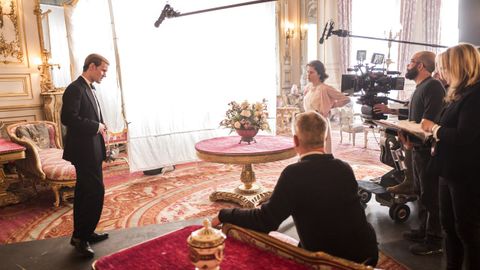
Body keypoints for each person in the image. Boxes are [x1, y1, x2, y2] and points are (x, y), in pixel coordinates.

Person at [212, 111, 378, 267]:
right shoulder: (344, 168)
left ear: (296, 141)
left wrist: (225, 214)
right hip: (367, 255)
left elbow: (265, 221)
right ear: (325, 136)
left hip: (330, 263)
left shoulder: (294, 174)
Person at [374, 51, 445, 255]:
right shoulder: (422, 87)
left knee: (431, 196)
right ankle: (423, 231)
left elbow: (429, 121)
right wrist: (392, 112)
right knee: (422, 192)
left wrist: (411, 135)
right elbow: (415, 113)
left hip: (427, 150)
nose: (408, 65)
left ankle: (434, 240)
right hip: (416, 148)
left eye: (411, 62)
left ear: (421, 66)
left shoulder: (433, 86)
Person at [421, 43, 480, 270]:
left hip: (466, 173)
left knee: (467, 229)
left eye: (445, 67)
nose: (441, 73)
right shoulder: (459, 92)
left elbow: (465, 135)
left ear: (460, 66)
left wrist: (434, 129)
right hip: (448, 169)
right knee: (449, 226)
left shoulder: (475, 95)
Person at [61, 53, 110, 258]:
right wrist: (96, 126)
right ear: (91, 66)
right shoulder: (75, 88)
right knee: (94, 192)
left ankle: (84, 234)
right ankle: (80, 237)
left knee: (85, 193)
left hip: (92, 150)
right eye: (103, 70)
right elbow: (68, 118)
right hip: (83, 152)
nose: (104, 75)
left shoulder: (88, 87)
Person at [303, 60, 350, 153]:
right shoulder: (307, 88)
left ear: (319, 74)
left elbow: (346, 99)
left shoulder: (325, 88)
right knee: (308, 152)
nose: (308, 75)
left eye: (311, 72)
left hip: (320, 123)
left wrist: (330, 106)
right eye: (307, 72)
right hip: (308, 123)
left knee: (321, 151)